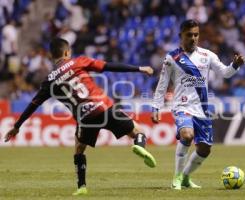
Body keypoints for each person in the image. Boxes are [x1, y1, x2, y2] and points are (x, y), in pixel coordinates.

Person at [4, 38, 157, 195]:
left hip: (85, 118)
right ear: (66, 52)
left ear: (52, 56)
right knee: (138, 130)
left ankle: (82, 186)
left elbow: (33, 105)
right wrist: (139, 68)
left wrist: (17, 126)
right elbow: (108, 66)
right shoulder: (79, 62)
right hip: (103, 107)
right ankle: (139, 145)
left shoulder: (49, 81)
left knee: (79, 150)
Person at [152, 19, 245, 190]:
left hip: (202, 109)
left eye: (196, 34)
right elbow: (162, 84)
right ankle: (177, 177)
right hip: (181, 107)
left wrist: (235, 65)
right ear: (181, 36)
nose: (193, 38)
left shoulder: (207, 55)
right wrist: (156, 107)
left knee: (205, 149)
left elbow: (225, 73)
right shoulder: (172, 58)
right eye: (189, 35)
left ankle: (186, 177)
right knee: (187, 135)